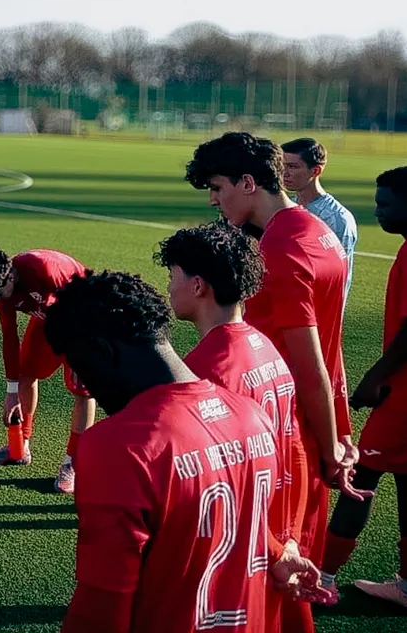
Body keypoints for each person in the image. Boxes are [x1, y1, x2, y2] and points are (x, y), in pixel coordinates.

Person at [44, 270, 321, 632]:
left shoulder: (118, 445)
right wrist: (275, 552)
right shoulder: (249, 415)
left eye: (81, 371)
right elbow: (232, 519)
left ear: (102, 352)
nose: (86, 386)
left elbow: (102, 605)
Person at [185, 132, 363, 567]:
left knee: (268, 562)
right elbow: (327, 346)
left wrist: (329, 448)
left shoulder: (282, 250)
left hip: (284, 426)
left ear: (248, 183)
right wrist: (339, 429)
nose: (213, 200)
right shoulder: (313, 227)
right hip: (308, 414)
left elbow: (309, 359)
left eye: (217, 188)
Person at [157, 223, 314, 633]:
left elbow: (218, 485)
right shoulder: (265, 347)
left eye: (172, 275)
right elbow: (296, 450)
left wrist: (278, 551)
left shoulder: (207, 372)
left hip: (245, 553)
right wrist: (291, 539)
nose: (169, 287)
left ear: (197, 286)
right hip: (276, 541)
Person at [315, 166, 407, 617]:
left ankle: (322, 577)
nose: (378, 211)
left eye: (385, 204)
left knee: (363, 474)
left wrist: (375, 378)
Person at [0, 246, 94, 494]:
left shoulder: (44, 269)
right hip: (49, 318)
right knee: (25, 375)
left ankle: (74, 464)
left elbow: (82, 307)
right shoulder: (0, 288)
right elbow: (9, 337)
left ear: (10, 276)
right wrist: (11, 391)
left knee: (82, 390)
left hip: (84, 320)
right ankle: (19, 447)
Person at [282, 138, 358, 309]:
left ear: (315, 170)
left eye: (292, 167)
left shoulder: (337, 218)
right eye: (282, 165)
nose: (284, 173)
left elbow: (337, 275)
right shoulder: (289, 208)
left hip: (319, 313)